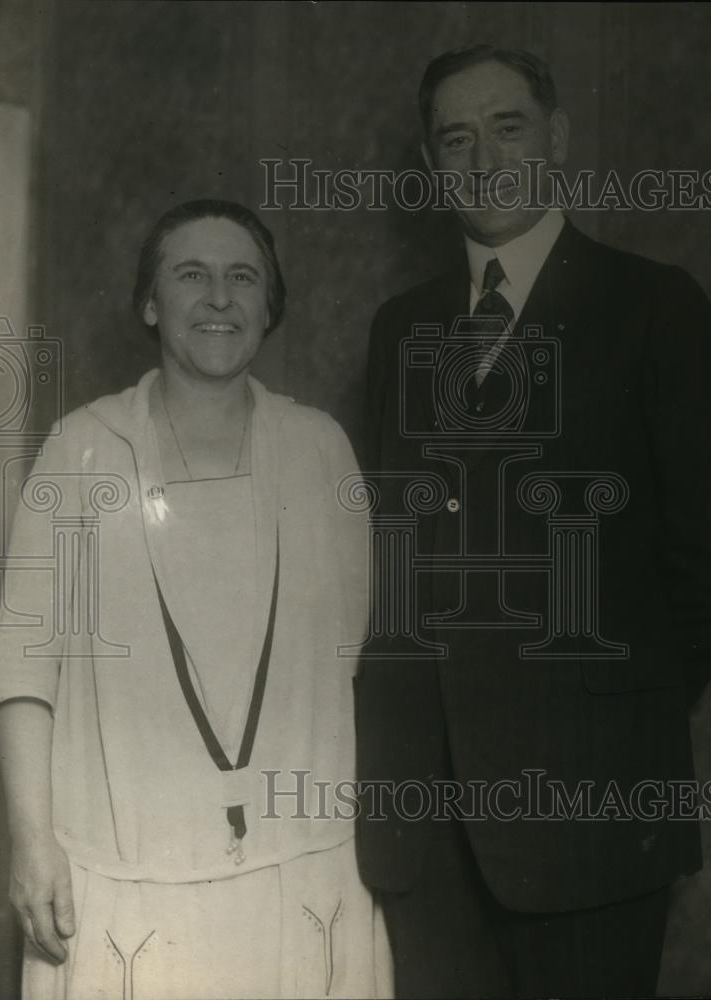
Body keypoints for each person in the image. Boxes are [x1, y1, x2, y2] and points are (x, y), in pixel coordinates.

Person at [356, 45, 711, 999]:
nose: (482, 161)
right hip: (427, 826)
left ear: (555, 139)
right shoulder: (400, 327)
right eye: (455, 140)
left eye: (505, 128)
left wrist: (610, 710)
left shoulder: (655, 306)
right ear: (430, 164)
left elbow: (700, 565)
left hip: (592, 809)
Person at [0, 200, 390, 999]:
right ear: (149, 302)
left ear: (269, 305)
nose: (218, 297)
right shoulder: (79, 451)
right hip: (126, 884)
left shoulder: (320, 450)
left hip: (300, 880)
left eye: (242, 277)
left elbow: (349, 655)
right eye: (191, 275)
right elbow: (24, 671)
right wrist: (33, 844)